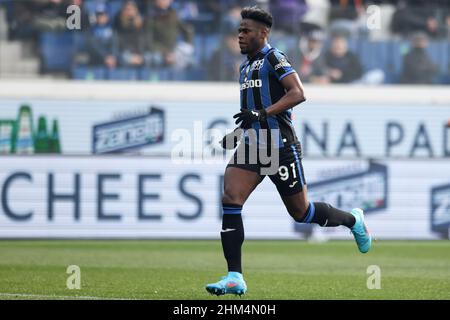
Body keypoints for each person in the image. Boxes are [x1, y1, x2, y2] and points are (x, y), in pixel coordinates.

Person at [205, 6, 372, 297]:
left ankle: (352, 220)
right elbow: (252, 113)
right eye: (239, 30)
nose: (240, 35)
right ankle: (235, 276)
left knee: (302, 212)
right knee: (231, 197)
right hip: (253, 146)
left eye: (246, 31)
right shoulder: (244, 67)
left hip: (280, 146)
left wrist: (262, 114)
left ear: (263, 33)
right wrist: (239, 133)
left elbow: (298, 93)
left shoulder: (274, 57)